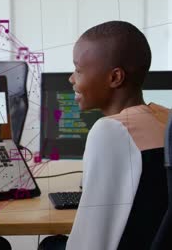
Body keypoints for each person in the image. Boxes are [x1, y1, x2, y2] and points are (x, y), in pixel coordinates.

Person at [40, 21, 169, 249]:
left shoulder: (111, 130)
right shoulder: (167, 118)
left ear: (114, 78)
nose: (71, 78)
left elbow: (88, 241)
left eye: (78, 70)